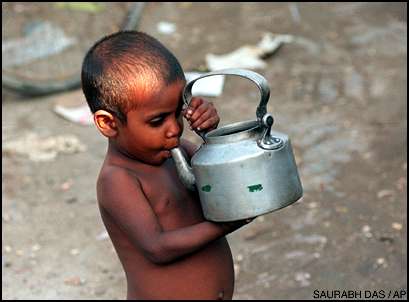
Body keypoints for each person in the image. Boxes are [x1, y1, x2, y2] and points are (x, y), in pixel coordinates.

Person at [81, 30, 253, 300]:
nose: (174, 128)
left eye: (178, 112)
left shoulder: (180, 151)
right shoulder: (119, 180)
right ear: (108, 124)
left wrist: (209, 136)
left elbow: (220, 182)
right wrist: (224, 226)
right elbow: (157, 247)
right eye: (157, 121)